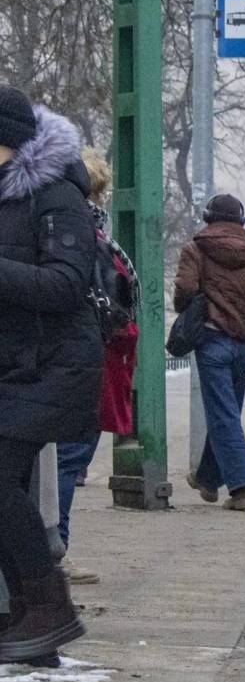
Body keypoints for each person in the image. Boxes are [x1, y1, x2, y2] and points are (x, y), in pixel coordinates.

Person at [0, 86, 99, 663]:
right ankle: (32, 620)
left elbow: (65, 285)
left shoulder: (55, 196)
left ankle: (49, 609)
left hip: (54, 366)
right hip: (18, 367)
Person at [54, 148, 141, 586]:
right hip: (84, 357)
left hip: (80, 354)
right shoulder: (87, 231)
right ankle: (54, 552)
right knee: (68, 457)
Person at [173, 193, 245, 512]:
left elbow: (184, 290)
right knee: (227, 413)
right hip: (243, 347)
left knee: (223, 415)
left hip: (212, 342)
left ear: (208, 218)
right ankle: (209, 480)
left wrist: (186, 304)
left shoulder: (196, 250)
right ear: (241, 222)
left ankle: (241, 489)